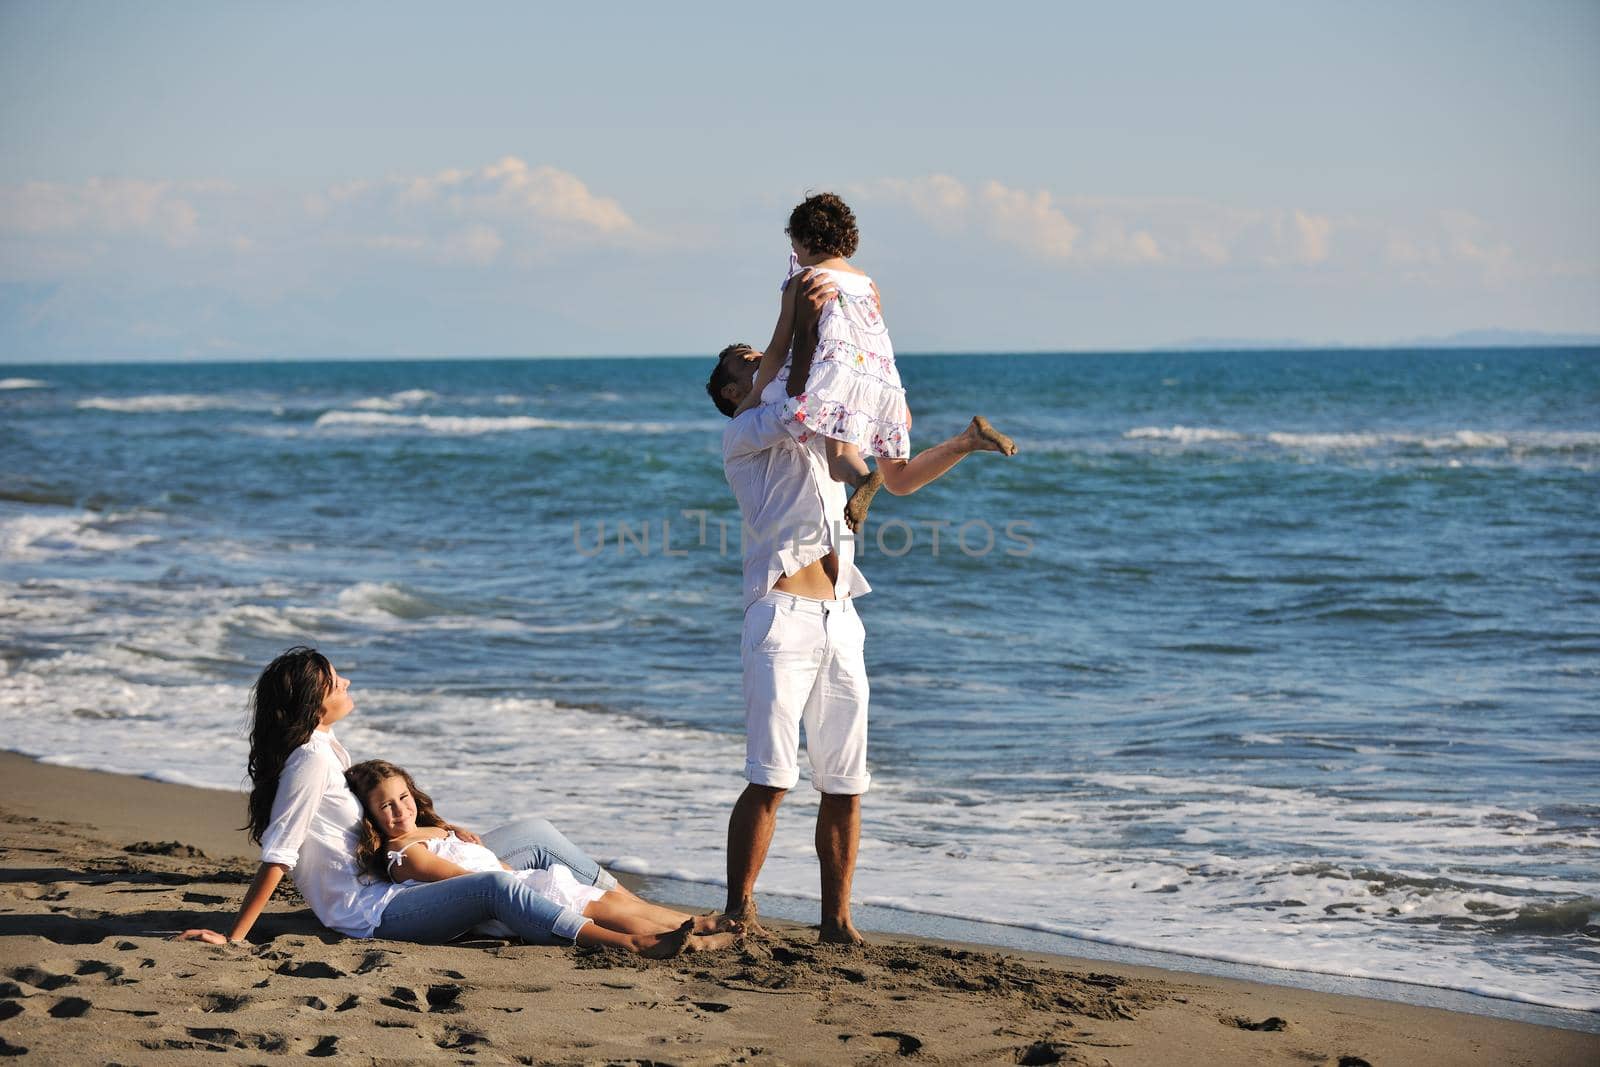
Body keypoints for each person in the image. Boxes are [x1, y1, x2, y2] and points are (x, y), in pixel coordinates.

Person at [704, 282, 1015, 944]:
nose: (759, 362)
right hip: (781, 616)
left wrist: (946, 440)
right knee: (771, 777)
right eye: (745, 363)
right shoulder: (744, 432)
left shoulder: (814, 429)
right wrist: (798, 310)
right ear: (732, 392)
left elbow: (878, 465)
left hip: (841, 618)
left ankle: (837, 920)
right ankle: (739, 908)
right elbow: (794, 389)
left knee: (845, 781)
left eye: (761, 354)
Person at [176, 647, 641, 951]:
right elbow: (279, 853)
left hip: (394, 880)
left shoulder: (330, 749)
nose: (348, 684)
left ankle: (633, 908)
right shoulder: (311, 763)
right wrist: (235, 937)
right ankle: (621, 943)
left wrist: (437, 830)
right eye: (336, 682)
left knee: (534, 834)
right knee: (495, 887)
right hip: (372, 911)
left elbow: (380, 828)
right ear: (315, 703)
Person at [731, 191, 1016, 530]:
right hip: (883, 379)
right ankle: (968, 440)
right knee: (899, 478)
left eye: (795, 245)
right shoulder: (866, 282)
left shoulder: (803, 281)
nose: (794, 254)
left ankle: (862, 480)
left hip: (840, 374)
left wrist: (753, 396)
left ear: (807, 239)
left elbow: (778, 349)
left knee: (840, 462)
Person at [346, 760, 736, 957]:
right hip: (509, 896)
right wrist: (511, 873)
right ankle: (670, 940)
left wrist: (451, 830)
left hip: (518, 883)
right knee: (608, 912)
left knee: (609, 901)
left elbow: (446, 838)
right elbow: (464, 879)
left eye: (404, 798)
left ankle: (696, 924)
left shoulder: (424, 830)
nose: (400, 811)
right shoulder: (404, 854)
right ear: (371, 817)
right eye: (386, 807)